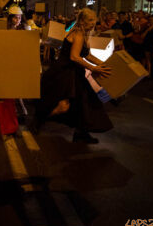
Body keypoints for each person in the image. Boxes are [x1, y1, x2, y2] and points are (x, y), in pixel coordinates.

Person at [35, 8, 114, 144]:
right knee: (65, 106)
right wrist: (94, 68)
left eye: (94, 20)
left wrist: (103, 64)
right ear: (83, 21)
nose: (93, 23)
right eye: (90, 20)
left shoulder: (82, 33)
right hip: (66, 73)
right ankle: (41, 119)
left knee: (84, 103)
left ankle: (81, 133)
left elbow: (86, 55)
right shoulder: (77, 33)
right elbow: (74, 57)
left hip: (73, 72)